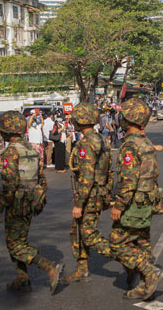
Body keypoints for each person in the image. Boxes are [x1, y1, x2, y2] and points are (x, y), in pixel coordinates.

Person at [0, 111, 63, 293]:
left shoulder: (10, 152)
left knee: (15, 245)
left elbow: (9, 185)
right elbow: (41, 178)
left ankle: (49, 267)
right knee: (19, 240)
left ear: (7, 130)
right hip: (30, 202)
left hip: (16, 203)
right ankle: (22, 278)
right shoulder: (31, 149)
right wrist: (37, 200)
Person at [109, 98, 163, 300]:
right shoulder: (146, 143)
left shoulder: (130, 146)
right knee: (142, 242)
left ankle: (150, 273)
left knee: (117, 243)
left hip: (133, 204)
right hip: (146, 200)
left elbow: (129, 179)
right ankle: (145, 282)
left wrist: (119, 205)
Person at [62, 103, 115, 284]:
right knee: (76, 231)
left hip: (89, 195)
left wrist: (79, 204)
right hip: (98, 192)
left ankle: (131, 259)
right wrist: (107, 193)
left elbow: (86, 176)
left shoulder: (86, 143)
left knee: (88, 233)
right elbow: (109, 172)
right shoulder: (102, 140)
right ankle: (82, 268)